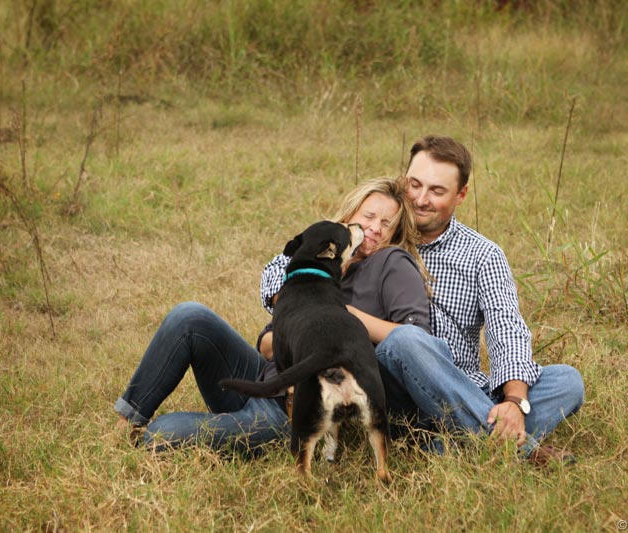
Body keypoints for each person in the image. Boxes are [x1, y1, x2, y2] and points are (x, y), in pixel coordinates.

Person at [261, 136, 585, 466]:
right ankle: (520, 451)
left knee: (567, 380)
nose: (420, 199)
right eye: (414, 185)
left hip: (465, 384)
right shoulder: (375, 235)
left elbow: (508, 329)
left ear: (461, 195)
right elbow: (283, 267)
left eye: (437, 191)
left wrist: (514, 401)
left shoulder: (482, 254)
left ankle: (453, 444)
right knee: (407, 340)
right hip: (396, 386)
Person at [114, 177, 431, 451]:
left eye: (386, 224)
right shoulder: (320, 261)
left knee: (162, 434)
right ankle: (126, 422)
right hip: (264, 375)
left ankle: (234, 431)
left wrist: (342, 316)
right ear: (350, 214)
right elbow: (267, 340)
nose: (374, 228)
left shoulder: (392, 264)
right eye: (369, 216)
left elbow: (414, 340)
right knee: (189, 316)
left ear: (394, 234)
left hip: (290, 408)